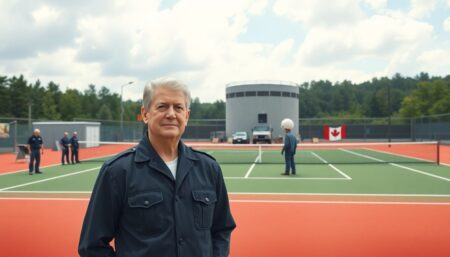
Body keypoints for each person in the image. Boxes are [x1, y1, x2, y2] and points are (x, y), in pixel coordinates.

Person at [79, 77, 236, 257]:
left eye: (178, 107)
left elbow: (222, 229)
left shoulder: (209, 169)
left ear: (187, 115)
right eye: (162, 106)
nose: (171, 114)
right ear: (145, 114)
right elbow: (91, 246)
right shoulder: (117, 172)